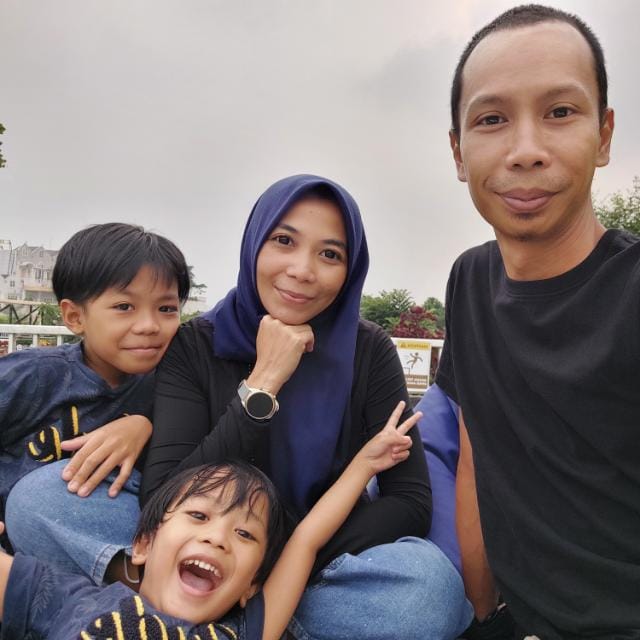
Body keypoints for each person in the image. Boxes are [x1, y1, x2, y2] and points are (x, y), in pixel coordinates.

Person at [140, 174, 472, 639]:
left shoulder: (367, 351)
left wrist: (284, 559)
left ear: (350, 270)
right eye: (284, 241)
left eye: (330, 254)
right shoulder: (196, 345)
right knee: (52, 499)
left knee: (426, 589)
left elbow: (409, 500)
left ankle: (222, 618)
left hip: (319, 562)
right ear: (254, 244)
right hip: (203, 553)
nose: (302, 270)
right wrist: (264, 382)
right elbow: (163, 496)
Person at [437, 3, 640, 638]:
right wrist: (480, 609)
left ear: (603, 135)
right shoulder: (470, 280)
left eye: (560, 112)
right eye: (492, 119)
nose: (526, 151)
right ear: (458, 152)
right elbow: (475, 452)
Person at [1, 402, 422, 640]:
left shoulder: (249, 631)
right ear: (143, 544)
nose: (218, 538)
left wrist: (364, 465)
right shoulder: (71, 599)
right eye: (199, 515)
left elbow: (305, 540)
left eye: (244, 533)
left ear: (252, 586)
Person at [2, 222, 190, 585]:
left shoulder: (173, 383)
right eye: (124, 306)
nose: (149, 325)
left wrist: (144, 423)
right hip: (18, 552)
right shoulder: (35, 376)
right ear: (75, 317)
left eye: (167, 308)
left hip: (100, 555)